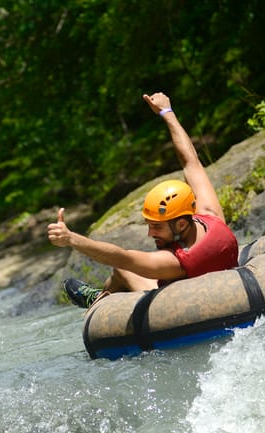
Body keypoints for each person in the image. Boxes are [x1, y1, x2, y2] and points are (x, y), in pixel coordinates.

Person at [48, 92, 239, 308]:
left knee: (123, 270)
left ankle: (98, 300)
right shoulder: (210, 215)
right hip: (224, 283)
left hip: (190, 305)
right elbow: (190, 162)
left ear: (182, 223)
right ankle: (103, 294)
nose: (150, 233)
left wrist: (71, 239)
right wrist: (167, 112)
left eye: (156, 226)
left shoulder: (175, 262)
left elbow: (123, 258)